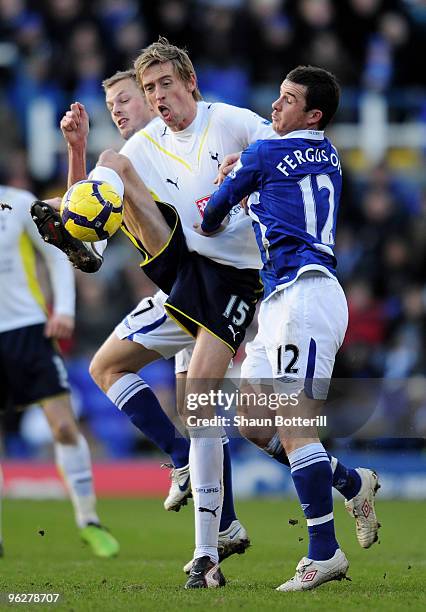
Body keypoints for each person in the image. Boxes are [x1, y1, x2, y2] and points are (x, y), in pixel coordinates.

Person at [32, 67, 250, 565]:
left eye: (128, 99)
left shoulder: (154, 148)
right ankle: (235, 519)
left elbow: (83, 229)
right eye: (113, 106)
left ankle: (184, 469)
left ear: (155, 101)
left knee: (118, 372)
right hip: (188, 286)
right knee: (206, 418)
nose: (121, 110)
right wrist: (76, 151)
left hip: (204, 285)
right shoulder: (130, 158)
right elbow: (84, 230)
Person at [200, 65, 380, 591]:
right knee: (255, 422)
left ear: (313, 113)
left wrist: (229, 185)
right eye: (277, 96)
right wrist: (249, 181)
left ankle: (324, 554)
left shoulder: (265, 153)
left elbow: (211, 217)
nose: (275, 107)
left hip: (305, 294)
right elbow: (277, 192)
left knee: (294, 421)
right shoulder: (326, 152)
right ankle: (351, 482)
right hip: (281, 302)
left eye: (287, 99)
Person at [0, 184, 119, 559]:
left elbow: (54, 256)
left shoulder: (16, 203)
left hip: (29, 329)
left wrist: (64, 309)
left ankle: (89, 521)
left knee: (64, 427)